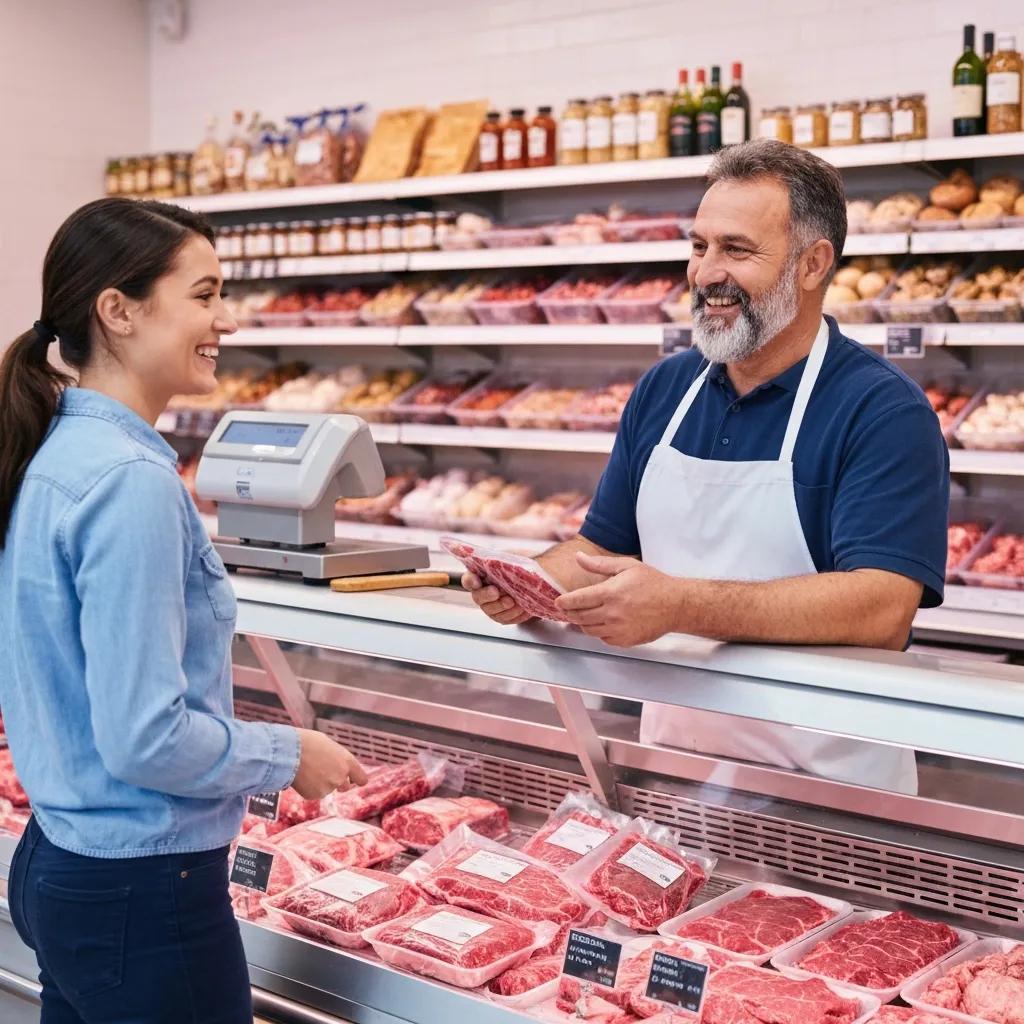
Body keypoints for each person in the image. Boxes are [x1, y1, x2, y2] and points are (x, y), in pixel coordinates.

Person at [464, 140, 949, 795]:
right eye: (699, 247)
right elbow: (603, 549)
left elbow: (881, 607)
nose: (706, 273)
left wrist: (678, 605)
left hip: (829, 794)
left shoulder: (882, 410)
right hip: (673, 772)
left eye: (737, 250)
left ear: (813, 265)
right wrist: (525, 581)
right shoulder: (666, 390)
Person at [0, 198, 367, 1024]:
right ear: (118, 311)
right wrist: (288, 752)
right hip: (142, 894)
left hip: (64, 860)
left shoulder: (52, 451)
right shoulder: (129, 482)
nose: (224, 321)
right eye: (203, 295)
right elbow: (146, 735)